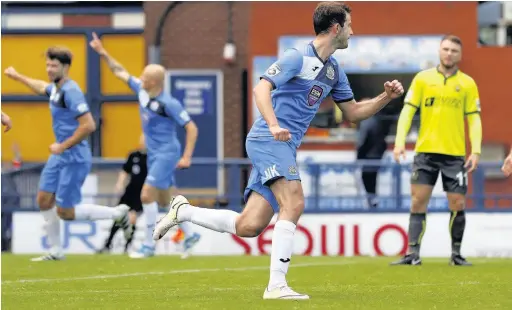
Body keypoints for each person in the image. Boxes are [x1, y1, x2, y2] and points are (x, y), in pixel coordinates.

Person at [153, 2, 404, 300]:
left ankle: (184, 211)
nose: (353, 31)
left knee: (250, 225)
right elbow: (262, 88)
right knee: (294, 202)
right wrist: (273, 125)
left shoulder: (334, 70)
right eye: (349, 25)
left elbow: (353, 112)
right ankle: (276, 286)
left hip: (282, 145)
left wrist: (385, 97)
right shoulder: (297, 57)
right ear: (336, 28)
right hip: (267, 139)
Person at [4, 47, 130, 262]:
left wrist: (63, 146)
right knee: (44, 200)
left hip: (74, 156)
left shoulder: (71, 91)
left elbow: (88, 125)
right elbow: (41, 87)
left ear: (66, 67)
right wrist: (17, 77)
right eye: (47, 65)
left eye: (54, 66)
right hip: (60, 154)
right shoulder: (55, 88)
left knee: (65, 212)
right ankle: (56, 251)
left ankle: (117, 214)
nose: (49, 69)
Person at [89, 33, 199, 259]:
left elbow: (191, 127)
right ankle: (190, 234)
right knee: (167, 198)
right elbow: (119, 71)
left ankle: (150, 245)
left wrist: (187, 156)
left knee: (146, 194)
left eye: (145, 76)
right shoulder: (141, 90)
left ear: (156, 82)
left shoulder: (169, 103)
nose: (140, 78)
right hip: (154, 153)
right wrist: (103, 53)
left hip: (167, 152)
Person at [391, 35, 482, 266]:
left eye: (454, 50)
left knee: (458, 204)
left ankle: (456, 254)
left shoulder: (468, 84)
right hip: (425, 153)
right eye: (445, 49)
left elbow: (474, 119)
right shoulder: (423, 79)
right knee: (417, 201)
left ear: (460, 55)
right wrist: (400, 142)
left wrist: (476, 150)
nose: (449, 53)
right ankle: (413, 254)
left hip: (454, 155)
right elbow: (407, 111)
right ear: (439, 51)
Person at [98, 134, 148, 254]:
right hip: (129, 192)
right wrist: (119, 184)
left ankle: (126, 247)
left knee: (132, 219)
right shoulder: (133, 155)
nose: (144, 142)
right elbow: (125, 171)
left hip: (141, 194)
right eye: (142, 140)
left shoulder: (152, 158)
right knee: (118, 217)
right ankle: (108, 244)